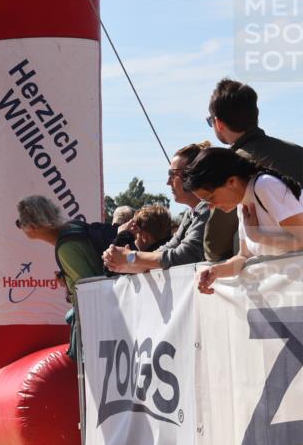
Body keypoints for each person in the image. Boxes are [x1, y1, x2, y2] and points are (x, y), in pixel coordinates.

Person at [104, 141, 237, 273]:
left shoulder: (207, 208)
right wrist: (129, 263)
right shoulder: (191, 213)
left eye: (173, 174)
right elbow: (169, 248)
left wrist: (132, 258)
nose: (168, 182)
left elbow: (186, 255)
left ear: (190, 175)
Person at [183, 147, 303, 293]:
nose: (211, 207)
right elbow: (244, 256)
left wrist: (258, 237)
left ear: (232, 182)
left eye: (210, 198)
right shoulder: (243, 203)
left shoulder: (265, 185)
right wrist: (215, 271)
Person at [15, 195, 104, 360]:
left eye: (20, 223)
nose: (20, 227)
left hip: (97, 326)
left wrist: (71, 289)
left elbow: (89, 290)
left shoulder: (66, 247)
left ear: (32, 227)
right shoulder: (73, 229)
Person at [208, 78, 303, 187]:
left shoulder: (232, 169)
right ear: (255, 114)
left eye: (210, 120)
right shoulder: (297, 151)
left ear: (219, 123)